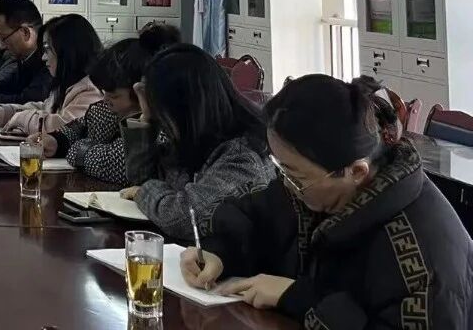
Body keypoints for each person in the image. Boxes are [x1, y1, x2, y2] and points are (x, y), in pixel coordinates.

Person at [183, 75, 473, 327]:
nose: (288, 185)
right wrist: (219, 252)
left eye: (296, 177)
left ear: (356, 172)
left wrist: (297, 297)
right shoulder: (318, 185)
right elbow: (257, 217)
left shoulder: (421, 262)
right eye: (282, 170)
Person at [118, 43, 271, 241]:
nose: (162, 124)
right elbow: (141, 178)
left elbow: (185, 218)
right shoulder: (196, 141)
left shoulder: (243, 157)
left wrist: (143, 192)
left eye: (162, 115)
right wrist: (146, 120)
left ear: (185, 111)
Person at [31, 23, 179, 183]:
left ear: (142, 92)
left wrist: (78, 149)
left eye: (114, 96)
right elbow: (79, 126)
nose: (105, 99)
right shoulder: (105, 112)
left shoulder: (163, 127)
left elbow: (118, 165)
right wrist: (56, 141)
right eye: (104, 92)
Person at [0, 12, 102, 135]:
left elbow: (65, 127)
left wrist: (21, 118)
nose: (43, 57)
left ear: (68, 51)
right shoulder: (66, 84)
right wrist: (6, 113)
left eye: (47, 49)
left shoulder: (90, 90)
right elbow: (46, 108)